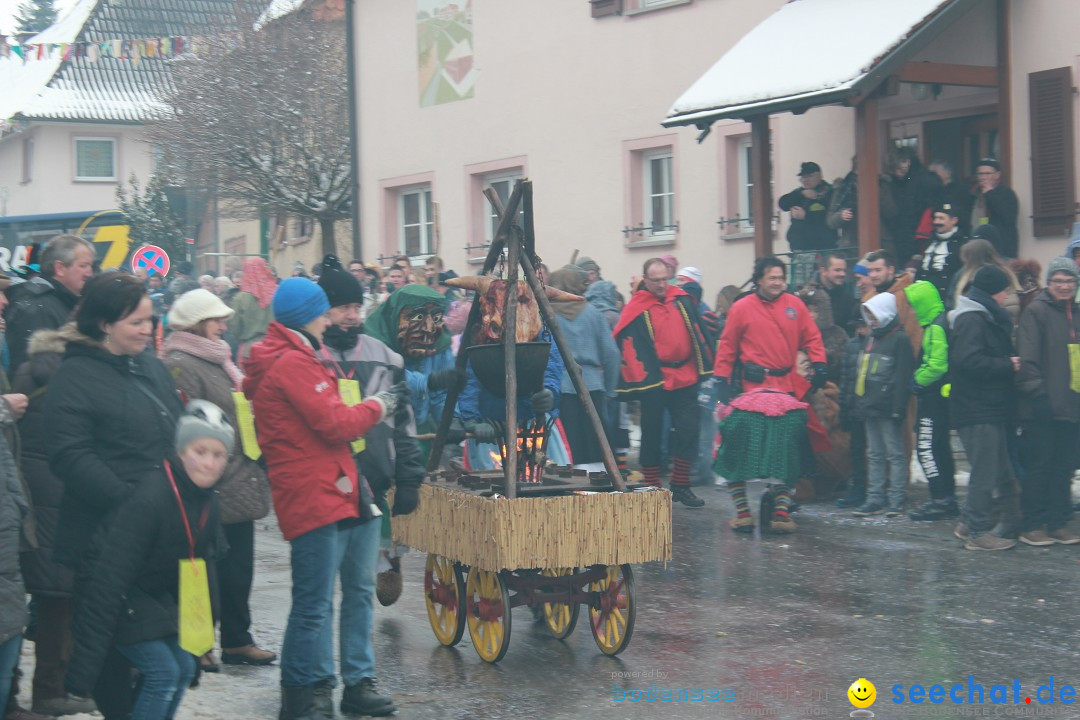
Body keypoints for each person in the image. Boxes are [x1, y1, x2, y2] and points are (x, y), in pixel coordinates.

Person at [242, 278, 406, 720]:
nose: (330, 317)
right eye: (324, 310)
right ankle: (303, 695)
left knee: (355, 591)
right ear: (306, 315)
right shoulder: (290, 363)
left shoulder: (303, 356)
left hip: (345, 490)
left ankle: (354, 683)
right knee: (313, 604)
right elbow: (336, 424)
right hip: (315, 496)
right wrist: (381, 405)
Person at [44, 273, 184, 718]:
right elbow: (68, 455)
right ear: (104, 323)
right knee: (118, 663)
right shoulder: (75, 374)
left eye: (150, 319)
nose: (147, 329)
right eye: (136, 322)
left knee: (171, 666)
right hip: (102, 540)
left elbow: (173, 436)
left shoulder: (151, 366)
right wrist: (131, 503)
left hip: (156, 541)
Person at [64, 401, 232, 720]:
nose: (208, 463)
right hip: (116, 598)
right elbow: (107, 579)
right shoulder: (149, 499)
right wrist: (83, 670)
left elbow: (203, 575)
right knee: (163, 672)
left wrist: (200, 640)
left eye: (218, 455)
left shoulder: (208, 502)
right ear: (181, 451)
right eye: (200, 451)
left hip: (153, 597)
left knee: (183, 666)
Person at [316, 254, 424, 669]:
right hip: (324, 486)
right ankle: (321, 675)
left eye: (355, 307)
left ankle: (360, 675)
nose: (351, 315)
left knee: (360, 588)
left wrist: (409, 476)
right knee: (322, 592)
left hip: (372, 479)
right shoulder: (309, 356)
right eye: (342, 307)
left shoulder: (385, 357)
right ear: (322, 311)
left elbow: (403, 422)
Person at [160, 289, 276, 670]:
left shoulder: (220, 359)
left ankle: (237, 640)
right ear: (196, 323)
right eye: (216, 320)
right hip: (208, 481)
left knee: (238, 568)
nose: (224, 327)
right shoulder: (181, 362)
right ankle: (198, 643)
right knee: (201, 568)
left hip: (239, 477)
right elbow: (184, 426)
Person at [11, 326, 98, 717]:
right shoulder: (76, 376)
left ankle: (28, 688)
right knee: (59, 599)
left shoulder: (30, 368)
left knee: (42, 597)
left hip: (33, 491)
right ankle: (51, 688)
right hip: (62, 492)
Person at [713, 256, 828, 532]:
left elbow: (812, 337)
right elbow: (727, 346)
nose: (777, 282)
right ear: (759, 280)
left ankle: (781, 513)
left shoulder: (795, 305)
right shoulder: (741, 308)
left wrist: (820, 362)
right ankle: (743, 513)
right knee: (737, 449)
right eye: (771, 277)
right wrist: (721, 379)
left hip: (786, 389)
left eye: (780, 277)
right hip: (750, 391)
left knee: (787, 452)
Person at [614, 258, 714, 507]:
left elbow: (698, 332)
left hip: (686, 377)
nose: (660, 285)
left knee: (689, 430)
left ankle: (680, 485)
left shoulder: (681, 299)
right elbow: (627, 341)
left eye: (664, 279)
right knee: (651, 433)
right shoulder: (638, 306)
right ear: (645, 280)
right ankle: (652, 488)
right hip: (654, 380)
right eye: (655, 280)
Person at [948, 265, 1022, 550]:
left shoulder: (979, 315)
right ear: (994, 292)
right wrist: (1008, 364)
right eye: (1004, 291)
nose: (1006, 297)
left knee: (997, 468)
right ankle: (977, 532)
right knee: (985, 471)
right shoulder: (973, 319)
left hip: (986, 406)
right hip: (977, 407)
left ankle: (970, 523)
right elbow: (968, 361)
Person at [1015, 257, 1080, 545]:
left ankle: (1057, 521)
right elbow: (1028, 358)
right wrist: (1037, 394)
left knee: (1064, 466)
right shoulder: (1036, 312)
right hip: (1043, 403)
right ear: (1049, 283)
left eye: (1069, 281)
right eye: (1058, 281)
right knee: (1040, 465)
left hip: (1072, 404)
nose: (1064, 286)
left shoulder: (1076, 313)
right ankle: (1032, 524)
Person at [546, 268, 620, 471]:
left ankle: (571, 484)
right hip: (592, 384)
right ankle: (601, 482)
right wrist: (610, 389)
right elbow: (612, 354)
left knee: (569, 441)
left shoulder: (546, 314)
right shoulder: (593, 313)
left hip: (559, 385)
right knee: (596, 439)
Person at [850, 293, 913, 517]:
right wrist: (859, 402)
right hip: (869, 405)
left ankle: (896, 499)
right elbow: (862, 374)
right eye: (868, 316)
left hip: (887, 407)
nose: (871, 320)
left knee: (894, 453)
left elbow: (904, 376)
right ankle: (874, 497)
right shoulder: (871, 338)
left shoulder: (900, 340)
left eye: (874, 315)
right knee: (874, 453)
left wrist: (898, 408)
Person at [904, 281, 957, 522]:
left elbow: (937, 365)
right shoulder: (941, 322)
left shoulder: (935, 327)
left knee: (926, 448)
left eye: (915, 306)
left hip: (932, 399)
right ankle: (947, 497)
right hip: (941, 399)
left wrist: (916, 381)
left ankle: (939, 498)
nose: (913, 312)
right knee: (941, 448)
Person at [4, 235, 95, 378]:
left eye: (91, 266)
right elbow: (29, 370)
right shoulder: (37, 307)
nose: (90, 273)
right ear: (60, 268)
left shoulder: (65, 301)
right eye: (83, 266)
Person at [882, 147, 941, 266]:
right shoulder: (896, 182)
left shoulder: (925, 181)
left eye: (899, 168)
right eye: (894, 170)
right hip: (905, 235)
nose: (897, 173)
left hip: (920, 236)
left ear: (907, 162)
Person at [836, 316, 870, 508]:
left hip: (871, 406)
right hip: (854, 406)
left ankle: (875, 490)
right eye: (857, 326)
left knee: (874, 452)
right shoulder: (851, 346)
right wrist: (844, 407)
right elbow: (846, 379)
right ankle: (858, 488)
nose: (860, 330)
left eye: (863, 325)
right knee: (856, 450)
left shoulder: (877, 343)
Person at [777, 162, 836, 251]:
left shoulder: (830, 192)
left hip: (823, 246)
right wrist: (801, 194)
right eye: (803, 177)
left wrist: (806, 215)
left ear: (819, 176)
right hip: (799, 246)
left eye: (809, 176)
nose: (805, 180)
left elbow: (831, 217)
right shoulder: (799, 193)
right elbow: (782, 204)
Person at [917, 203, 967, 300]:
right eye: (935, 218)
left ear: (954, 220)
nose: (936, 222)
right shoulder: (930, 242)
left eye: (941, 218)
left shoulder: (962, 244)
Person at [971, 158, 1019, 258]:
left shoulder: (1006, 194)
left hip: (1002, 251)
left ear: (997, 175)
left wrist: (990, 193)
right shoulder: (974, 195)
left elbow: (1009, 217)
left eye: (987, 173)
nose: (983, 177)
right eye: (980, 174)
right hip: (979, 251)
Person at [230, 258, 277, 359]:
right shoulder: (277, 294)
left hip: (249, 349)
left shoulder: (240, 298)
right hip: (275, 347)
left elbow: (235, 327)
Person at [801, 252, 856, 334]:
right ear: (823, 271)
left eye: (844, 270)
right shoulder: (806, 294)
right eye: (837, 270)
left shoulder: (847, 297)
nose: (842, 274)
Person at [928, 159, 972, 234]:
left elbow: (957, 210)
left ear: (948, 173)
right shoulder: (931, 191)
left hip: (958, 232)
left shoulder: (960, 190)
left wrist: (944, 207)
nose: (931, 177)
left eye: (934, 173)